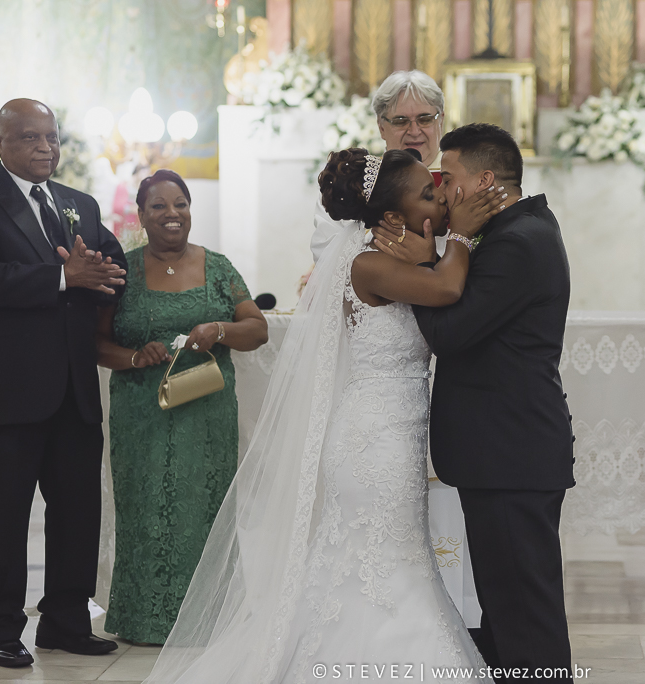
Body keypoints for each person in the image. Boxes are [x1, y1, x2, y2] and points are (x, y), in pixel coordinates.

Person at [142, 147, 506, 683]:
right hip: (373, 442)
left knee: (389, 560)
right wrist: (464, 237)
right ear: (391, 215)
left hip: (395, 433)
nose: (440, 201)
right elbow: (448, 288)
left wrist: (432, 248)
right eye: (428, 194)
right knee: (382, 563)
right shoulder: (369, 264)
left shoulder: (400, 258)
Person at [376, 123, 575, 681]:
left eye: (448, 177)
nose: (441, 190)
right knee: (507, 606)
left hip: (510, 450)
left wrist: (422, 263)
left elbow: (449, 332)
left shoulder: (516, 241)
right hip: (506, 450)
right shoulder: (519, 227)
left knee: (525, 612)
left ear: (485, 181)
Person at [0, 99, 125, 667]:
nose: (45, 147)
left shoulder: (80, 204)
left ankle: (66, 621)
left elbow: (110, 264)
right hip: (9, 391)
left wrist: (109, 274)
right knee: (5, 517)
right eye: (29, 137)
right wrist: (64, 276)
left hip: (75, 388)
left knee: (77, 513)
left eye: (51, 137)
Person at [94, 169, 268, 645]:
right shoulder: (122, 271)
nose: (172, 214)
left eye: (181, 204)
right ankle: (143, 620)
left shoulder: (219, 268)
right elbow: (95, 342)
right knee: (144, 509)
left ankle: (208, 618)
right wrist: (135, 356)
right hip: (141, 414)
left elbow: (257, 329)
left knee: (204, 507)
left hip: (206, 412)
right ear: (141, 215)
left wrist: (219, 330)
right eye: (159, 206)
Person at [311, 70, 445, 262]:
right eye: (400, 121)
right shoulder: (354, 183)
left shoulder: (463, 181)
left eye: (425, 119)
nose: (414, 131)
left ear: (441, 120)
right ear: (381, 127)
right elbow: (326, 255)